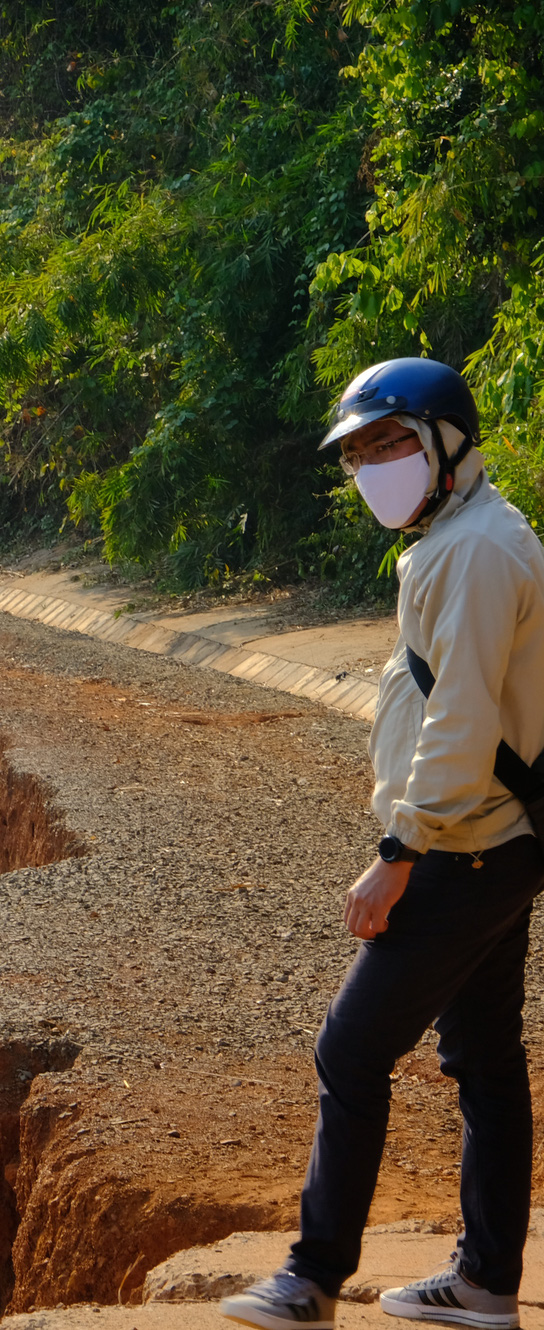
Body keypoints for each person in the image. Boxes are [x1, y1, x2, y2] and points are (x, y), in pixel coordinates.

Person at [221, 358, 544, 1330]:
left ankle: (309, 1276)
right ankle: (484, 1282)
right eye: (358, 453)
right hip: (492, 840)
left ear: (445, 443)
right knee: (484, 1056)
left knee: (350, 1047)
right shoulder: (455, 539)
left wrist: (396, 852)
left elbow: (458, 721)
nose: (372, 467)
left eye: (389, 443)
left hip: (463, 847)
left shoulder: (478, 551)